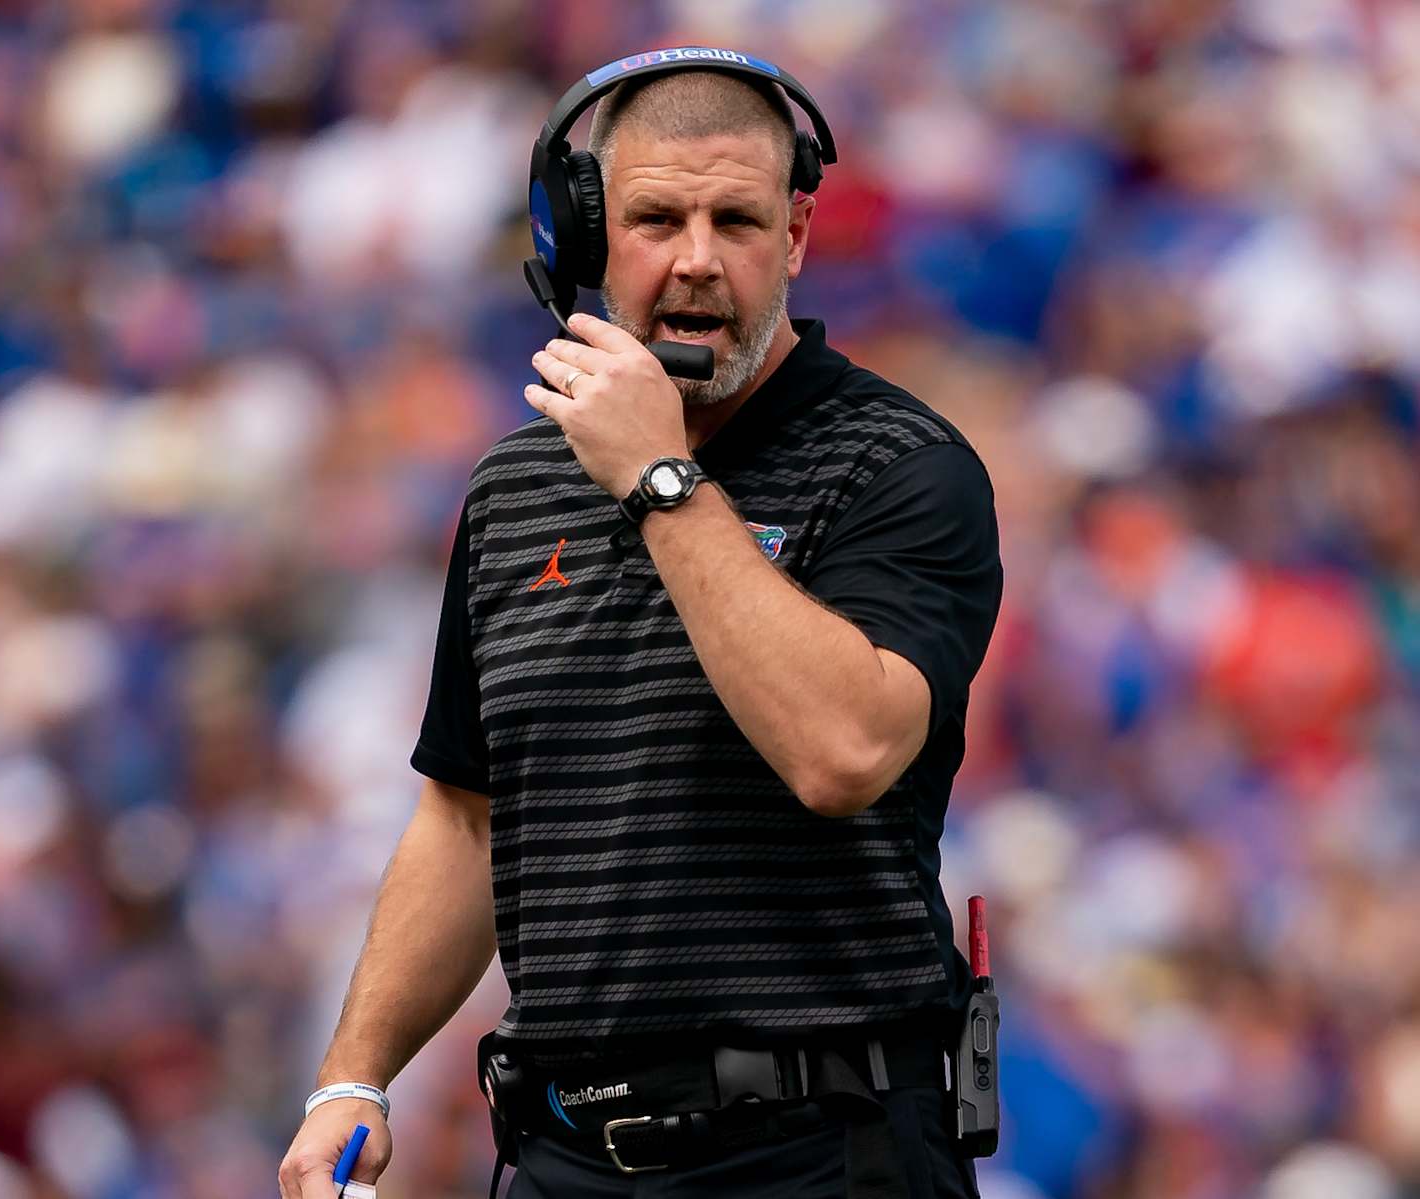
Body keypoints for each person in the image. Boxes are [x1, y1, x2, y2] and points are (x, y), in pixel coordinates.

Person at [279, 51, 1001, 1199]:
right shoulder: (515, 490)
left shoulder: (903, 466)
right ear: (584, 236)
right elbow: (467, 817)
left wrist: (660, 477)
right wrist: (352, 1078)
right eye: (657, 217)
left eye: (738, 219)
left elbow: (842, 751)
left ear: (798, 236)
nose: (698, 258)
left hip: (826, 1148)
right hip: (565, 1155)